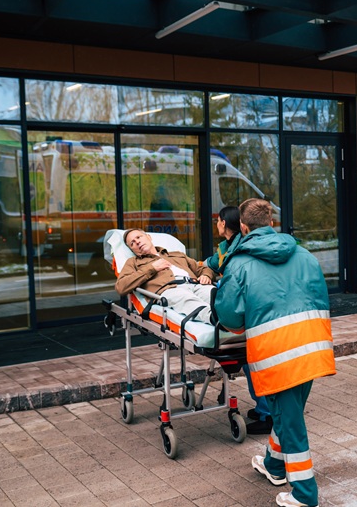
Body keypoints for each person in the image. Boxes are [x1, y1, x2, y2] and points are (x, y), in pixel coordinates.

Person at [215, 198, 335, 507]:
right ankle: (273, 465)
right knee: (288, 413)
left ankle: (305, 494)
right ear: (272, 223)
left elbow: (230, 318)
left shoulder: (239, 264)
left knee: (291, 423)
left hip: (276, 354)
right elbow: (320, 297)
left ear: (242, 227)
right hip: (312, 347)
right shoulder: (306, 255)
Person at [205, 206, 273, 436]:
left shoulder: (240, 249)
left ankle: (268, 414)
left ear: (224, 223)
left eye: (217, 221)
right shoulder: (228, 247)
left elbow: (232, 277)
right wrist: (207, 272)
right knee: (250, 361)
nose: (216, 224)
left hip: (250, 312)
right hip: (258, 310)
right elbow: (213, 263)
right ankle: (265, 408)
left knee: (253, 362)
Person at [115, 228, 216, 324]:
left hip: (196, 285)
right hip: (170, 290)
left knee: (215, 296)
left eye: (139, 237)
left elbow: (203, 268)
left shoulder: (177, 254)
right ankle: (216, 319)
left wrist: (206, 275)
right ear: (132, 250)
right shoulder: (133, 262)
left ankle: (228, 314)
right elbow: (121, 286)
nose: (137, 242)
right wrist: (152, 268)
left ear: (148, 237)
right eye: (132, 243)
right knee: (187, 299)